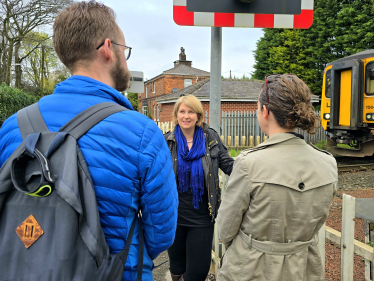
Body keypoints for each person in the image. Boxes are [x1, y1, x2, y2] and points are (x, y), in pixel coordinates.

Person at [0, 2, 178, 280]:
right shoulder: (142, 132)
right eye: (125, 51)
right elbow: (162, 233)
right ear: (108, 48)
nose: (125, 60)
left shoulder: (12, 127)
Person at [217, 74, 338, 281]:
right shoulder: (328, 162)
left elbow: (225, 229)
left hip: (252, 268)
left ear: (265, 111)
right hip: (304, 268)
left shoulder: (249, 163)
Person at [164, 95, 234, 281]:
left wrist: (253, 167)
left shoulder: (210, 138)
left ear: (198, 116)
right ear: (176, 115)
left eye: (191, 112)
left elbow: (228, 164)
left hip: (202, 216)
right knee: (177, 267)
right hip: (174, 216)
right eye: (182, 111)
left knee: (197, 273)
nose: (186, 116)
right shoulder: (167, 142)